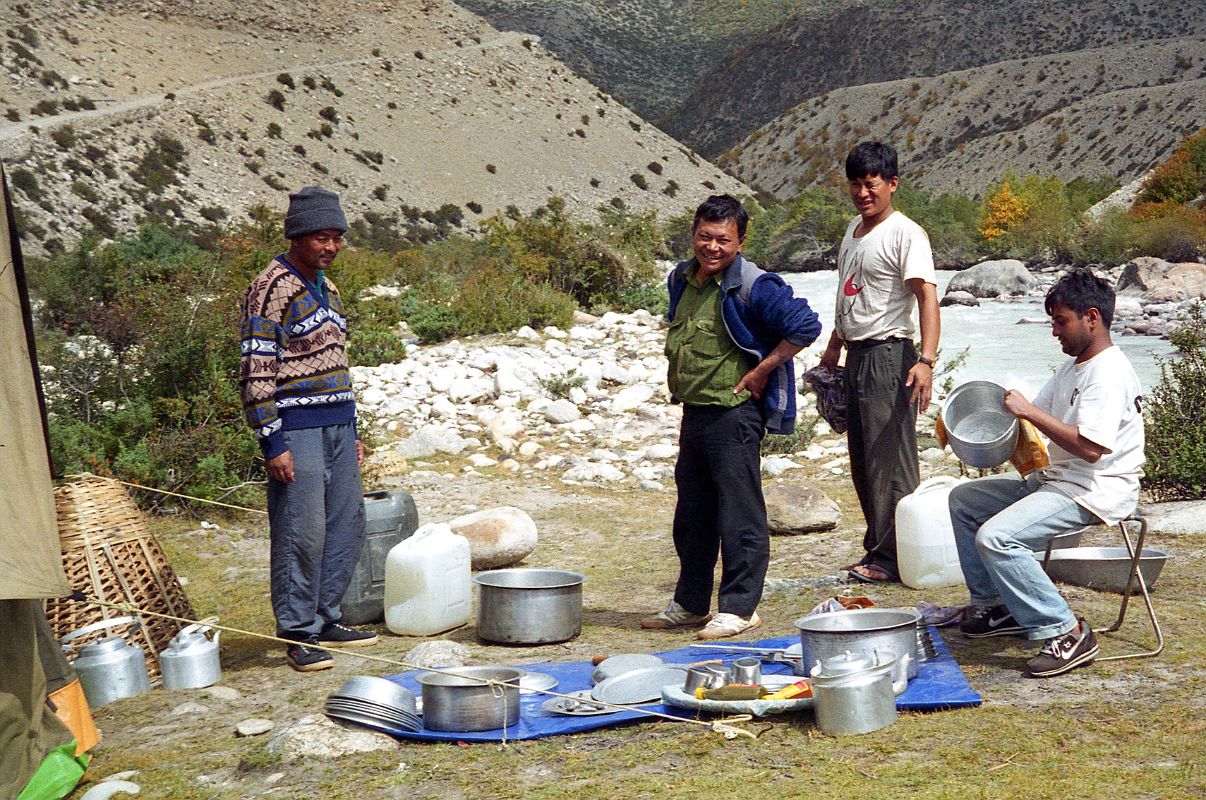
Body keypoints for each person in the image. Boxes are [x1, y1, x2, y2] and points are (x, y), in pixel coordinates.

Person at [642, 194, 822, 639]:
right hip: (695, 411)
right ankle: (690, 604)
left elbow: (806, 326)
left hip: (736, 414)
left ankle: (741, 608)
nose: (713, 247)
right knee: (693, 514)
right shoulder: (681, 279)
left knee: (740, 514)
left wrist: (763, 369)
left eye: (723, 239)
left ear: (740, 242)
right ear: (693, 235)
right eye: (705, 236)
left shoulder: (756, 286)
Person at [949, 269, 1144, 677]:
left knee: (997, 537)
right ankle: (998, 607)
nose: (1055, 331)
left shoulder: (1108, 373)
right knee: (964, 500)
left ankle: (1067, 630)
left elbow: (1090, 448)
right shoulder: (1075, 367)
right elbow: (1029, 419)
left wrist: (1029, 411)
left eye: (1061, 321)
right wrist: (980, 417)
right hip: (1060, 480)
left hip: (1096, 488)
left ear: (1092, 317)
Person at [240, 186, 377, 672]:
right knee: (303, 531)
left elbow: (338, 361)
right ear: (298, 236)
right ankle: (298, 632)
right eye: (323, 238)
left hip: (337, 422)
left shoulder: (327, 286)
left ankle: (327, 616)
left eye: (338, 238)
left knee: (346, 524)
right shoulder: (272, 287)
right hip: (296, 428)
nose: (332, 247)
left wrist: (353, 427)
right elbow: (257, 367)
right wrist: (272, 439)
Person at [819, 141, 940, 584]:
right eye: (855, 185)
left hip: (890, 353)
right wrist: (835, 342)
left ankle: (894, 557)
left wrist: (926, 360)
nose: (862, 193)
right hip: (856, 353)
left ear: (892, 183)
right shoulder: (854, 229)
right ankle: (878, 548)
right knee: (862, 456)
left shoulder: (906, 233)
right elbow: (851, 291)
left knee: (889, 457)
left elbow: (927, 295)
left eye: (871, 185)